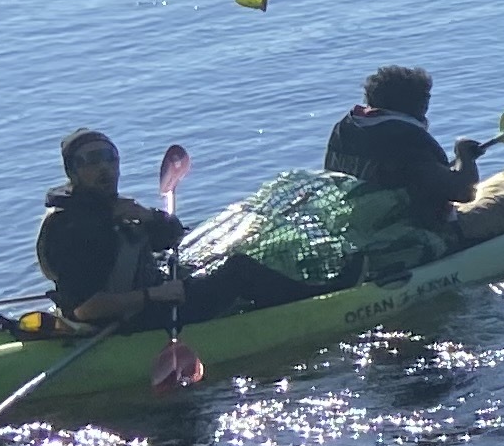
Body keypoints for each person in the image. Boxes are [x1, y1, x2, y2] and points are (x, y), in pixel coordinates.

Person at [35, 131, 310, 327]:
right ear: (72, 172)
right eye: (92, 161)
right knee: (238, 270)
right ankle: (313, 304)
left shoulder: (108, 208)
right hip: (124, 320)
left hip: (145, 296)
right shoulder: (75, 228)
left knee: (214, 259)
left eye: (110, 157)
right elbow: (87, 309)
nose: (105, 168)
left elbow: (171, 237)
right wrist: (154, 295)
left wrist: (148, 217)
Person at [322, 65, 504, 249]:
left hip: (370, 227)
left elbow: (410, 174)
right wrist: (465, 156)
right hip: (423, 233)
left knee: (497, 184)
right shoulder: (407, 137)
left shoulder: (345, 128)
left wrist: (459, 164)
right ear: (420, 104)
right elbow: (463, 193)